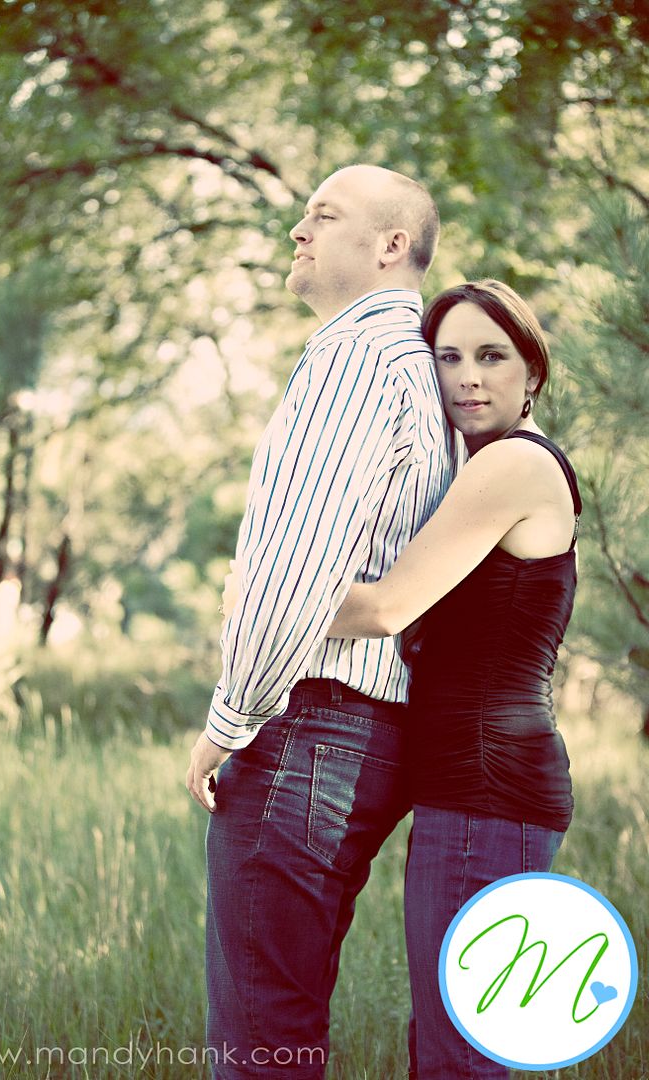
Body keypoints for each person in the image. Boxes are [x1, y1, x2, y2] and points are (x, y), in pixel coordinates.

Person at [185, 163, 455, 1078]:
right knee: (285, 1026)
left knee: (259, 1041)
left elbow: (294, 574)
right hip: (367, 736)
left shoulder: (356, 358)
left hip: (308, 730)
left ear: (390, 245)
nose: (298, 230)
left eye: (323, 214)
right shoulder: (420, 369)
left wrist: (229, 721)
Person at [326, 279, 582, 1080]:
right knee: (456, 1047)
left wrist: (262, 599)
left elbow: (385, 607)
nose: (467, 377)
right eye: (448, 358)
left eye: (491, 356)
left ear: (532, 371)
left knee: (458, 1058)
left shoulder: (513, 464)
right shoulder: (491, 466)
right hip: (478, 790)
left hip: (486, 792)